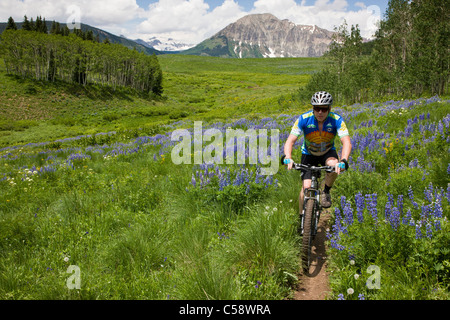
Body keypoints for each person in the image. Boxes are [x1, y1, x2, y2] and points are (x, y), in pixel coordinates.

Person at [283, 91, 352, 214]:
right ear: (313, 108)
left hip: (327, 152)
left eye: (324, 109)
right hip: (308, 154)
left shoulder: (336, 119)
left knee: (334, 165)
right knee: (306, 187)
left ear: (329, 108)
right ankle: (301, 218)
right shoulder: (303, 119)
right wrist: (288, 157)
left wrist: (344, 160)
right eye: (317, 108)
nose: (320, 112)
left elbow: (346, 141)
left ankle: (326, 191)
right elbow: (290, 141)